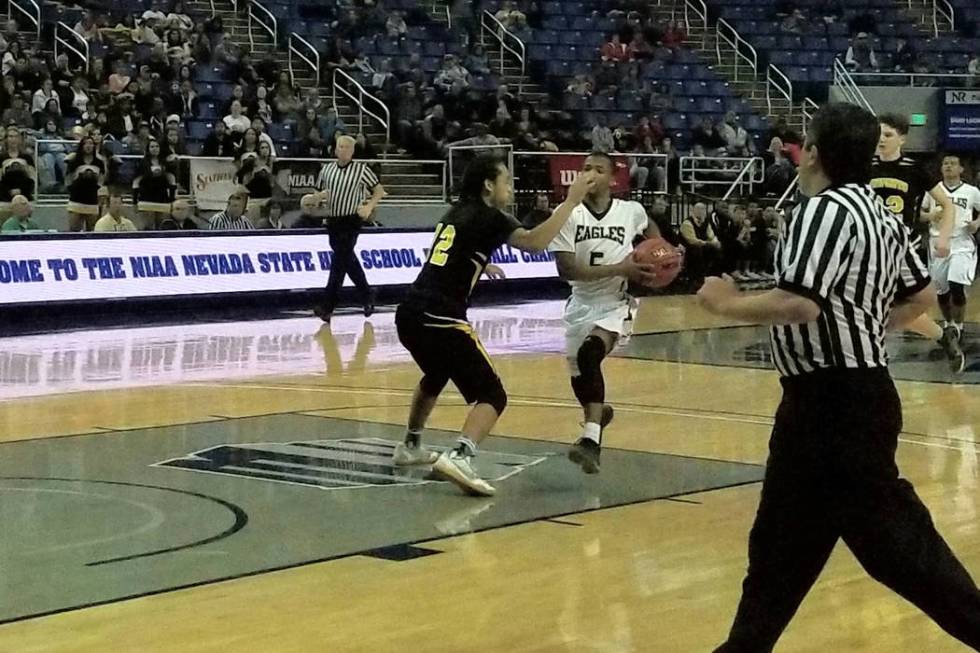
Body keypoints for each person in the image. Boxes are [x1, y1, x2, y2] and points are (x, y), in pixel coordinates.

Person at [698, 102, 980, 653]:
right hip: (841, 396)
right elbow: (921, 296)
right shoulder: (879, 211)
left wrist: (726, 303)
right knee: (781, 547)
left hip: (835, 403)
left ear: (816, 153)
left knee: (897, 548)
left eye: (805, 141)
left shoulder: (821, 212)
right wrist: (869, 323)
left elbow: (800, 305)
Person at [391, 155, 597, 495]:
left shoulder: (454, 213)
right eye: (506, 180)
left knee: (436, 374)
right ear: (489, 185)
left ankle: (411, 446)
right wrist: (571, 200)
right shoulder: (491, 216)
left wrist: (478, 264)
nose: (510, 186)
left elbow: (448, 253)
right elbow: (535, 242)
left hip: (409, 314)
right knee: (493, 394)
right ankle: (460, 455)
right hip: (441, 317)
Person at [548, 153, 660, 474]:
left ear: (612, 179)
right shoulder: (567, 213)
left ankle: (591, 442)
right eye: (585, 169)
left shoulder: (630, 211)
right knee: (579, 375)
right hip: (580, 300)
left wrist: (659, 250)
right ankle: (597, 413)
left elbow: (650, 228)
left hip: (616, 301)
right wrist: (620, 266)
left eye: (599, 169)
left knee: (589, 355)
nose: (590, 174)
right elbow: (566, 269)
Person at [871, 112, 964, 372]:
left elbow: (947, 204)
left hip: (903, 247)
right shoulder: (864, 168)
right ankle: (943, 336)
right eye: (878, 134)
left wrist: (943, 237)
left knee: (893, 305)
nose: (881, 139)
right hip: (870, 247)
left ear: (902, 138)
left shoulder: (914, 170)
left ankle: (871, 348)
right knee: (893, 307)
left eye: (888, 135)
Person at [313, 134, 386, 322]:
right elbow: (317, 193)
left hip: (352, 219)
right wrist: (317, 203)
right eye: (341, 146)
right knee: (346, 259)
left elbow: (379, 191)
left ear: (353, 151)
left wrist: (368, 207)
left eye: (348, 147)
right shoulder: (326, 170)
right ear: (335, 149)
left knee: (339, 261)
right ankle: (368, 293)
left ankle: (327, 305)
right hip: (333, 220)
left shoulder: (362, 170)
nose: (344, 150)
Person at [920, 154, 980, 342]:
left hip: (961, 242)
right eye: (945, 163)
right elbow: (919, 215)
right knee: (942, 292)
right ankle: (948, 323)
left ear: (961, 169)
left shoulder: (972, 192)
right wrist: (931, 216)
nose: (948, 166)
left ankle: (959, 326)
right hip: (937, 243)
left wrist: (977, 223)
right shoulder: (931, 191)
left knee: (956, 285)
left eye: (953, 163)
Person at [133, 139, 178, 229]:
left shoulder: (164, 163)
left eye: (157, 146)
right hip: (146, 198)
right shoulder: (143, 163)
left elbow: (171, 179)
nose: (155, 149)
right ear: (148, 149)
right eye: (152, 147)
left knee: (162, 226)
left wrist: (172, 200)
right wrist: (135, 201)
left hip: (162, 198)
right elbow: (136, 182)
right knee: (148, 226)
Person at [65, 136, 106, 232]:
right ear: (82, 146)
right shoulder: (75, 161)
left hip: (92, 201)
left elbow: (102, 179)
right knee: (73, 232)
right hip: (76, 201)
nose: (88, 146)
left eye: (91, 143)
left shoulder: (99, 162)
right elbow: (67, 179)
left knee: (91, 232)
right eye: (86, 143)